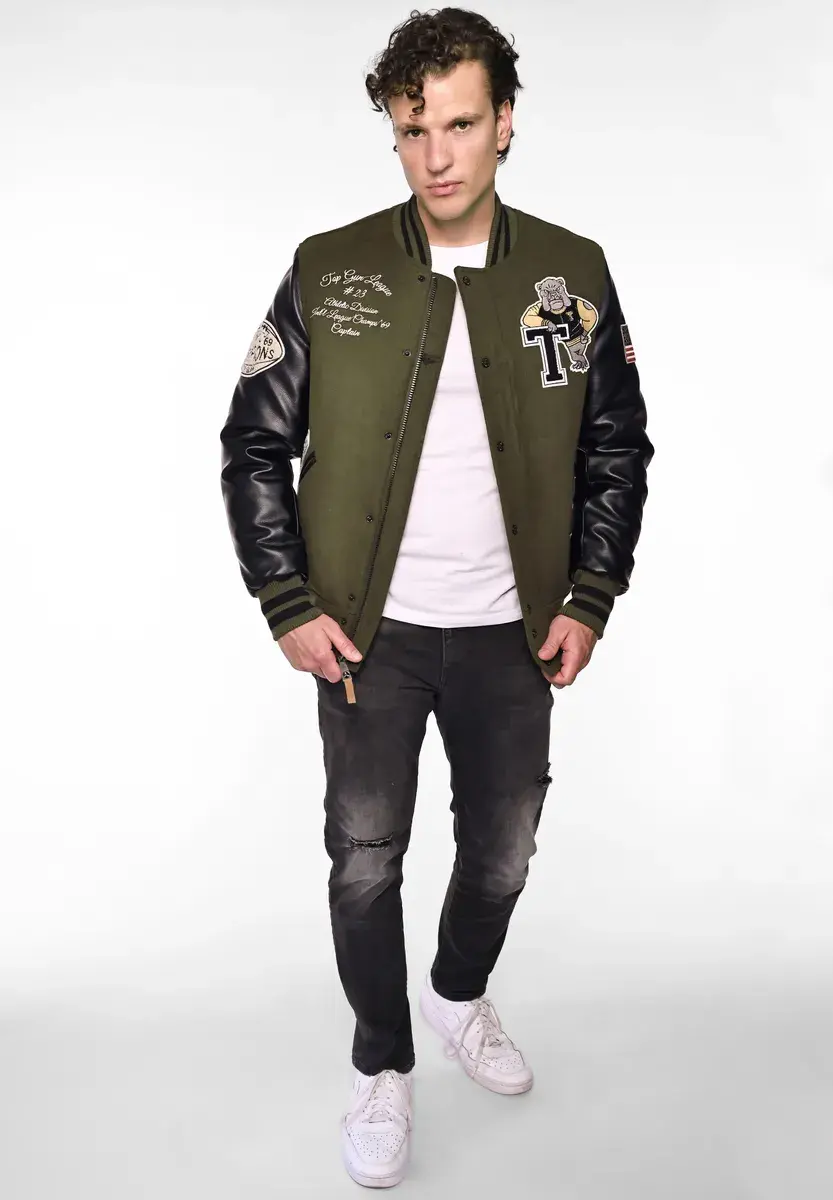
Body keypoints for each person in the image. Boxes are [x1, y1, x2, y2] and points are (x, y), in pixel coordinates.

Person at [220, 6, 654, 1188]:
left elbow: (614, 442)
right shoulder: (329, 269)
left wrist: (589, 593)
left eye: (459, 125)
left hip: (514, 632)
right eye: (413, 130)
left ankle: (456, 994)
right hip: (370, 637)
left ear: (504, 122)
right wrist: (286, 599)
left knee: (502, 852)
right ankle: (382, 1062)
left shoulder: (570, 273)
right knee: (364, 860)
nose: (436, 155)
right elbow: (254, 441)